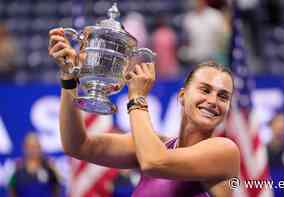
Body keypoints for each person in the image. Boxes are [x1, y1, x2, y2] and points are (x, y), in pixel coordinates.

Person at [48, 27, 239, 196]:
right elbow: (77, 145)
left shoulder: (224, 151)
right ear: (182, 96)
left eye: (223, 96)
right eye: (205, 90)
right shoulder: (155, 145)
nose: (213, 101)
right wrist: (69, 78)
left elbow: (153, 162)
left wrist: (137, 97)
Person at [8, 132, 60, 197]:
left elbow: (56, 188)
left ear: (40, 148)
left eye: (36, 146)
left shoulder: (50, 168)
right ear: (24, 148)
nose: (33, 150)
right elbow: (12, 190)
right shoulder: (17, 169)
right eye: (30, 147)